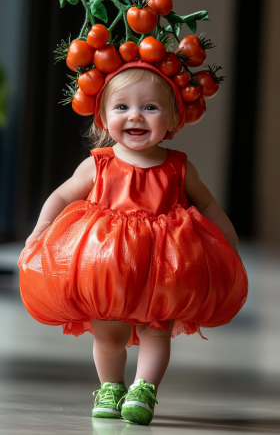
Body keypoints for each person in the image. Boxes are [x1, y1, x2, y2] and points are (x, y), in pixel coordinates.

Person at [18, 62, 248, 426]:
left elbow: (206, 205)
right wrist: (41, 228)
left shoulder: (178, 167)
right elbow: (61, 197)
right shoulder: (99, 164)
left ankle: (144, 388)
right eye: (121, 107)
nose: (135, 115)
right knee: (109, 333)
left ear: (173, 119)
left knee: (157, 330)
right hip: (107, 266)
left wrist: (228, 240)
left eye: (150, 107)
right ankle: (110, 386)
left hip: (164, 266)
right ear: (103, 118)